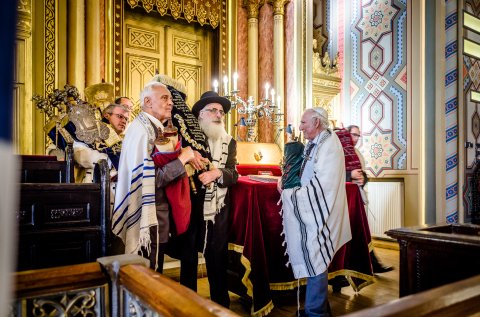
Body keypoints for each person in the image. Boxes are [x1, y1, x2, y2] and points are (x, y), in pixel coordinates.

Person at [111, 82, 195, 272]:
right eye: (164, 98)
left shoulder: (149, 127)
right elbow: (150, 180)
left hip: (156, 218)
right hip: (146, 220)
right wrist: (182, 160)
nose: (170, 103)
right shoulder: (142, 131)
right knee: (147, 278)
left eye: (171, 99)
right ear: (147, 101)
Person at [279, 107, 351, 317]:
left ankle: (315, 313)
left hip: (323, 209)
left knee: (316, 256)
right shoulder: (315, 142)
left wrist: (294, 195)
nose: (300, 127)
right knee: (314, 256)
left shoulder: (330, 144)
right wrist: (286, 182)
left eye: (303, 123)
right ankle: (316, 308)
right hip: (314, 206)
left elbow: (324, 184)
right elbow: (303, 172)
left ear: (316, 123)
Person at [181, 91, 238, 308]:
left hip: (218, 210)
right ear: (200, 115)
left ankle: (221, 307)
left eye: (221, 111)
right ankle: (187, 305)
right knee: (188, 259)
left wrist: (217, 173)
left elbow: (234, 173)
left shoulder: (229, 142)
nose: (218, 115)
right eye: (212, 110)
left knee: (217, 258)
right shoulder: (188, 137)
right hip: (191, 204)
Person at [346, 124, 393, 274]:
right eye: (353, 134)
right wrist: (350, 176)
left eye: (358, 135)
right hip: (344, 199)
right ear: (346, 135)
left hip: (357, 197)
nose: (356, 138)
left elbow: (363, 174)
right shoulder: (340, 152)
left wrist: (362, 179)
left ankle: (373, 265)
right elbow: (335, 174)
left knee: (363, 233)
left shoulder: (358, 153)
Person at [73, 103, 130, 183]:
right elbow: (79, 155)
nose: (124, 121)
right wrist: (108, 161)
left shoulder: (127, 140)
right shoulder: (88, 132)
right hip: (94, 184)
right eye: (120, 116)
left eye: (127, 119)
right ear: (107, 115)